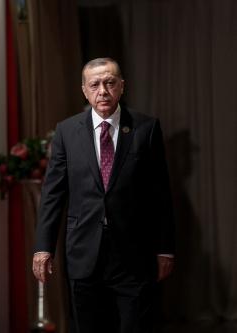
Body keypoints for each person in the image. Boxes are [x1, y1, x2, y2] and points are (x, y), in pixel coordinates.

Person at [32, 58, 175, 333]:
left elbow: (161, 194)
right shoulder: (66, 132)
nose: (103, 91)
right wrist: (43, 247)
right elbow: (53, 194)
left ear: (122, 86)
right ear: (84, 90)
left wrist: (165, 247)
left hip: (134, 255)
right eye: (95, 84)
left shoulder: (146, 129)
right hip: (84, 252)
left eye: (110, 83)